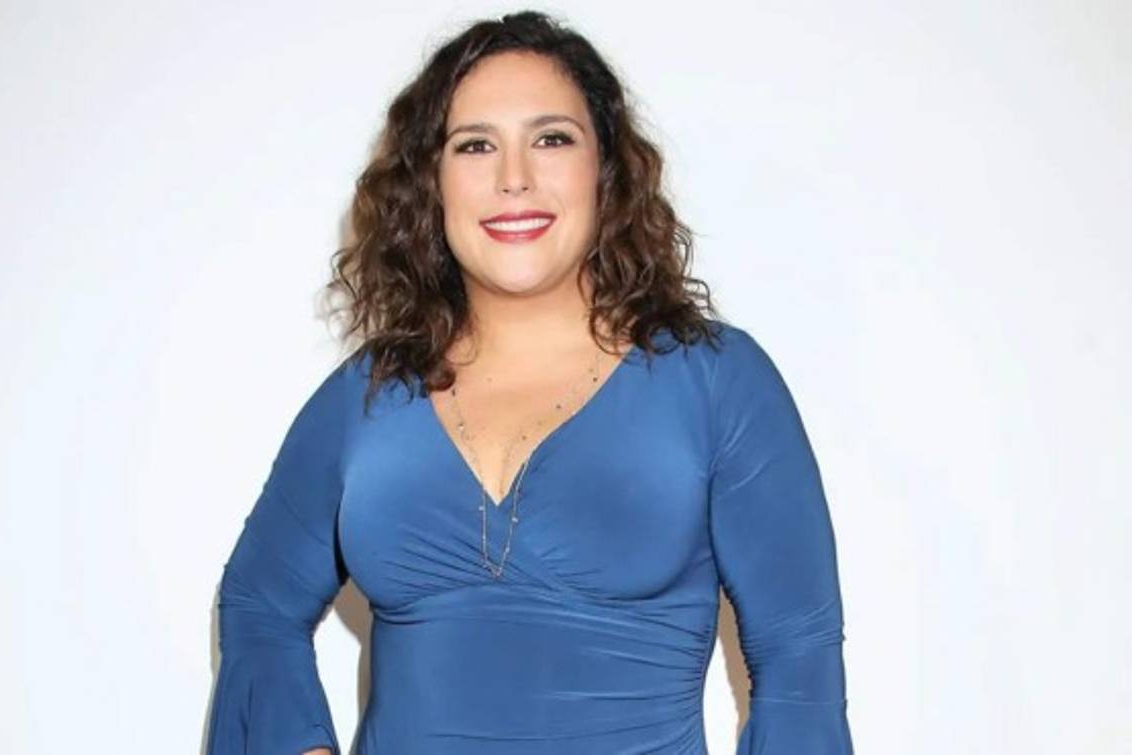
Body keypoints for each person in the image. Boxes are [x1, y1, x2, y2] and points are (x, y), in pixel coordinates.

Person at [204, 10, 853, 755]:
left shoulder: (717, 383)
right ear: (431, 181)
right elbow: (258, 605)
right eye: (475, 145)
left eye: (552, 139)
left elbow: (799, 671)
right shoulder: (367, 396)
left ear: (606, 170)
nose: (513, 177)